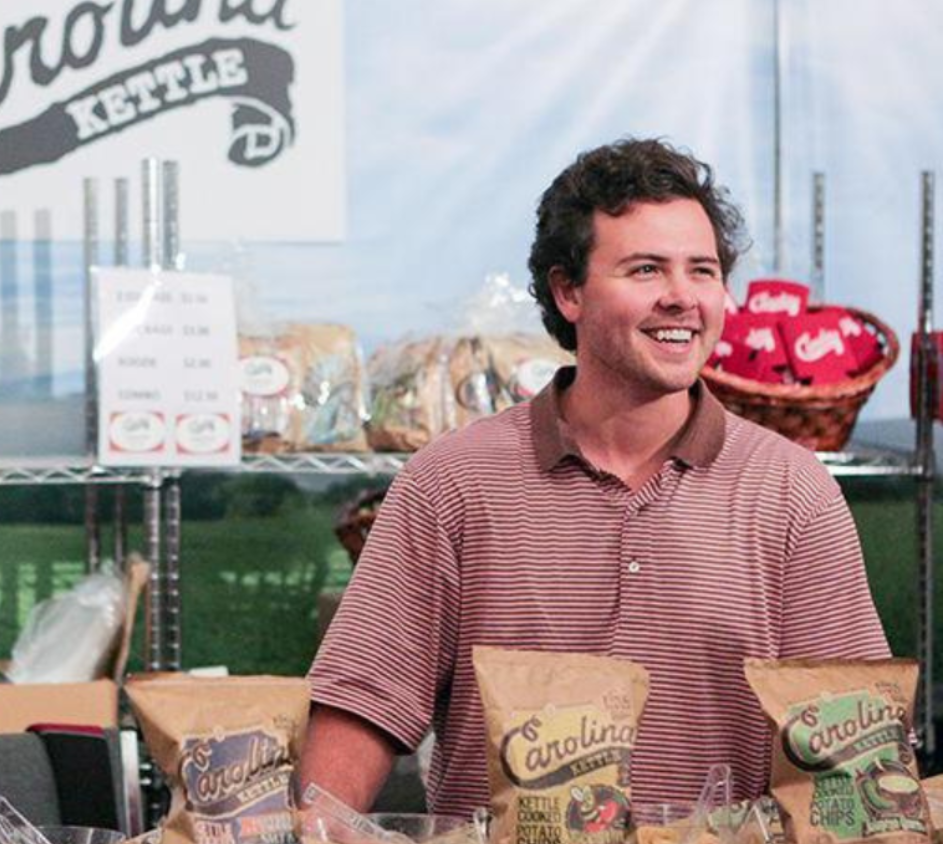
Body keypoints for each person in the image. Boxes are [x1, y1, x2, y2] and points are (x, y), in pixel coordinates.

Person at [301, 137, 890, 816]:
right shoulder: (451, 483)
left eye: (701, 271)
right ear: (568, 290)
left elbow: (848, 734)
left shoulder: (792, 491)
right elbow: (364, 703)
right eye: (645, 270)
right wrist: (321, 826)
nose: (682, 298)